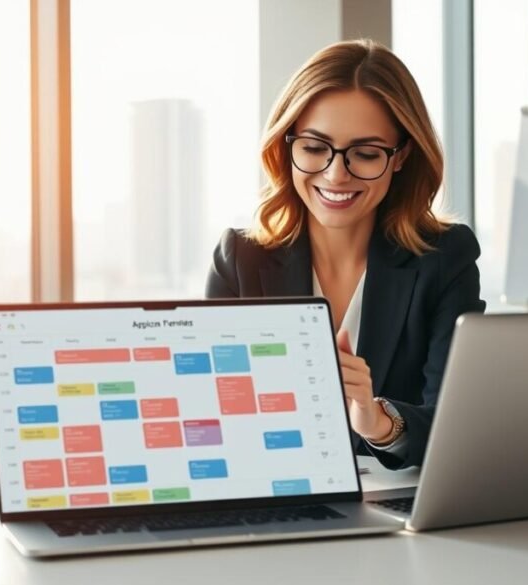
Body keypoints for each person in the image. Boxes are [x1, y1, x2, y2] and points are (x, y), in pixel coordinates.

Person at [206, 39, 485, 470]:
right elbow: (211, 419)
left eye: (366, 154)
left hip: (399, 514)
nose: (336, 174)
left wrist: (377, 422)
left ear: (400, 157)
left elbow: (457, 426)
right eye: (315, 148)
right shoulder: (240, 258)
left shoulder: (445, 257)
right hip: (277, 499)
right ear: (287, 146)